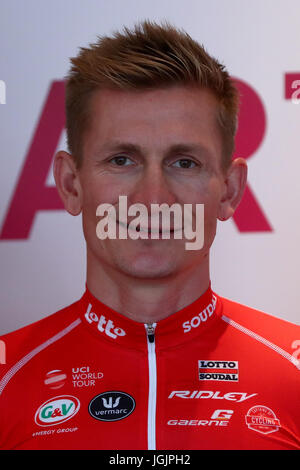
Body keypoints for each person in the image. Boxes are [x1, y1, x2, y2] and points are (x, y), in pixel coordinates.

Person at [0, 20, 299, 451]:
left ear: (230, 191)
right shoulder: (7, 377)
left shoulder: (292, 371)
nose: (152, 198)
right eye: (122, 160)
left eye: (184, 163)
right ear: (70, 184)